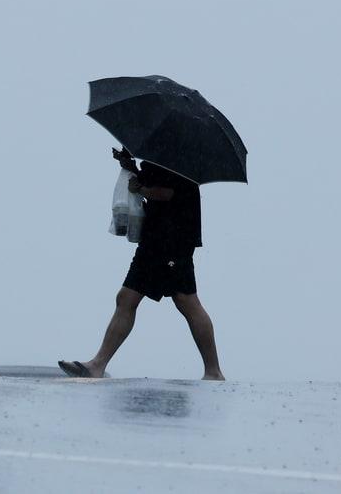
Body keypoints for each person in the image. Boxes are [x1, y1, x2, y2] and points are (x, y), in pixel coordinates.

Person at [60, 148, 225, 381]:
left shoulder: (176, 153)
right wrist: (132, 168)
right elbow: (158, 182)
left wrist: (141, 188)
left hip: (171, 241)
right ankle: (97, 364)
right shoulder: (166, 151)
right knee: (128, 298)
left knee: (186, 301)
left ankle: (214, 371)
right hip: (158, 239)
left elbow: (168, 192)